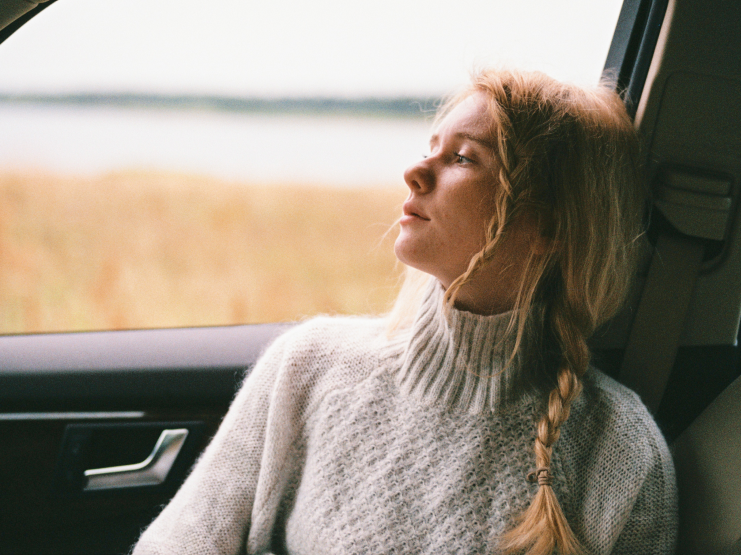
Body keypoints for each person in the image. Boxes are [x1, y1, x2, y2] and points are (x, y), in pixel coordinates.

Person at [132, 69, 677, 555]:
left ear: (551, 227)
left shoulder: (620, 451)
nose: (415, 172)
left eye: (463, 157)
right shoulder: (310, 365)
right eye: (429, 147)